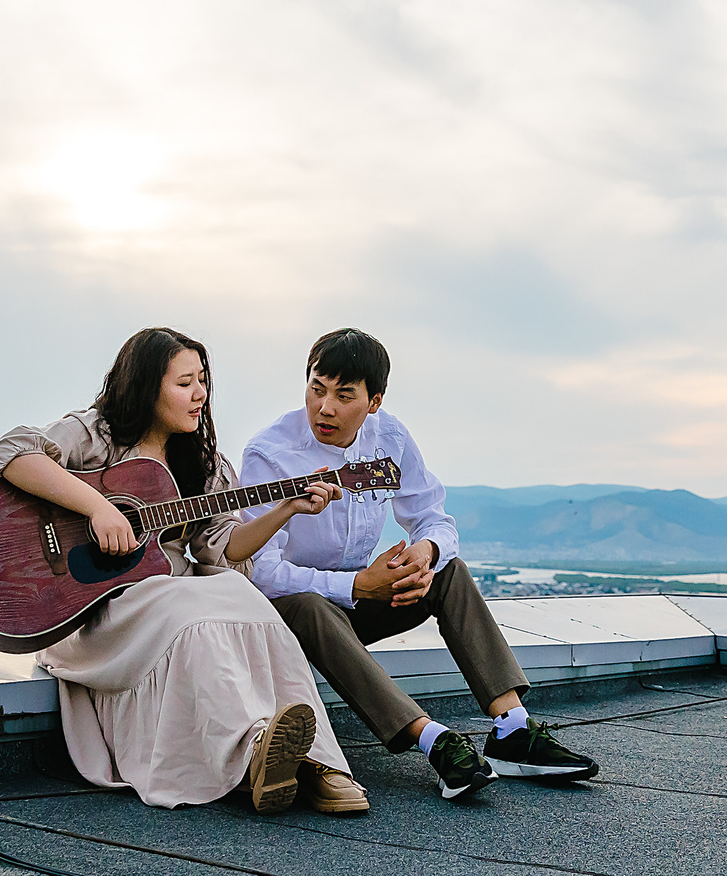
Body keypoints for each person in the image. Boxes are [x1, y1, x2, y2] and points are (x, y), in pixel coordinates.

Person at [0, 326, 370, 816]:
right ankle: (252, 753)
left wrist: (286, 508)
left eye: (203, 381)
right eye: (185, 383)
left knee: (245, 598)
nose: (199, 395)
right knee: (187, 609)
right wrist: (99, 509)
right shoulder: (95, 433)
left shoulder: (201, 460)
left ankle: (318, 762)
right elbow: (11, 452)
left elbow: (223, 549)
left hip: (163, 596)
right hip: (92, 606)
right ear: (148, 387)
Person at [234, 327, 598, 801]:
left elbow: (434, 518)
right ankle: (432, 739)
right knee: (307, 605)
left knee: (449, 571)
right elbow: (262, 573)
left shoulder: (389, 438)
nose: (325, 408)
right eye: (316, 389)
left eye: (345, 396)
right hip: (288, 619)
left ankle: (512, 728)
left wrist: (422, 555)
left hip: (358, 605)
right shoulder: (270, 453)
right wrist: (359, 585)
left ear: (374, 401)